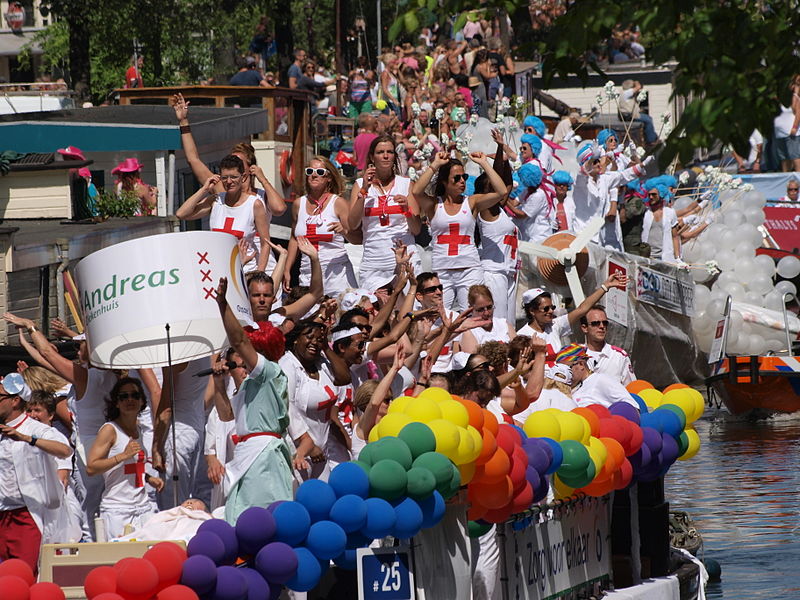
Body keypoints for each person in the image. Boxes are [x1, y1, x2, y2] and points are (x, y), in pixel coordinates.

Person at [172, 93, 287, 271]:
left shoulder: (260, 197)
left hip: (259, 261)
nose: (230, 177)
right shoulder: (221, 190)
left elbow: (279, 209)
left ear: (247, 169)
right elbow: (193, 160)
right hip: (226, 261)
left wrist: (263, 179)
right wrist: (183, 122)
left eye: (238, 165)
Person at [214, 277, 293, 523]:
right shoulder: (250, 383)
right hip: (247, 453)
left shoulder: (269, 370)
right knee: (240, 516)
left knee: (262, 518)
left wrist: (222, 304)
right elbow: (226, 415)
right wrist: (218, 382)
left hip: (263, 456)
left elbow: (238, 340)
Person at [412, 151, 506, 310]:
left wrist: (484, 163)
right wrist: (435, 164)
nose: (462, 181)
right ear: (444, 182)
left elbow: (501, 192)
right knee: (439, 317)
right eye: (457, 178)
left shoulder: (472, 202)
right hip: (442, 272)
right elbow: (416, 191)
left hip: (470, 270)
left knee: (472, 315)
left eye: (465, 177)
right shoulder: (434, 205)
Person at [0, 373, 74, 572]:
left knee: (23, 574)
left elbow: (64, 449)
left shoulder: (34, 429)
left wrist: (26, 438)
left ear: (14, 401)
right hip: (2, 515)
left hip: (27, 515)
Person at [87, 377, 162, 540]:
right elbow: (91, 467)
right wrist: (122, 456)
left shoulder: (140, 429)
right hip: (117, 510)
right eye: (124, 396)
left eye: (135, 395)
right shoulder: (110, 430)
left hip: (143, 507)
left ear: (142, 401)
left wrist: (149, 479)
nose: (130, 400)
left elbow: (131, 466)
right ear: (116, 402)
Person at [348, 135, 422, 291]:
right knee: (374, 310)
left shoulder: (406, 184)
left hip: (404, 256)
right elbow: (352, 224)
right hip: (374, 260)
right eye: (380, 152)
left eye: (390, 151)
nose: (386, 156)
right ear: (372, 157)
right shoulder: (360, 185)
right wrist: (364, 191)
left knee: (409, 308)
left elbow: (416, 229)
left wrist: (406, 210)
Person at [176, 155, 272, 273]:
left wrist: (259, 274)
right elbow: (181, 214)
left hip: (246, 271)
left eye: (234, 177)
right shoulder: (215, 201)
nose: (229, 181)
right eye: (225, 177)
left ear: (243, 177)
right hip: (219, 269)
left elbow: (265, 243)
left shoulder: (254, 204)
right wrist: (204, 189)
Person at [286, 156, 357, 297]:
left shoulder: (339, 203)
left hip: (336, 274)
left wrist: (343, 231)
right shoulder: (298, 204)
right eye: (310, 171)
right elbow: (294, 239)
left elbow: (356, 238)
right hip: (308, 273)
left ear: (329, 177)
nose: (313, 175)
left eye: (319, 172)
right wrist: (287, 268)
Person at [517, 273, 627, 363]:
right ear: (532, 311)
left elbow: (582, 309)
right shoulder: (522, 335)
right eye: (546, 309)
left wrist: (605, 287)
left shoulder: (555, 325)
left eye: (552, 307)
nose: (551, 311)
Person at [555, 344, 638, 409]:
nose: (563, 374)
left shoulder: (600, 380)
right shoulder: (571, 388)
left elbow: (632, 406)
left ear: (581, 364)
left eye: (567, 368)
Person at [580, 306, 635, 385]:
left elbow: (631, 388)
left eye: (605, 323)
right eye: (596, 323)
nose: (602, 326)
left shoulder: (619, 356)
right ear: (585, 328)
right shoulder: (575, 355)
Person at [507, 162, 554, 243]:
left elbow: (522, 215)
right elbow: (514, 203)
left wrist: (505, 202)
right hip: (529, 235)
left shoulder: (538, 195)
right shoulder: (527, 190)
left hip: (539, 237)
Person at [460, 285, 516, 352]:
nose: (486, 313)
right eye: (481, 310)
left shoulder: (504, 324)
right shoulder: (469, 332)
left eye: (489, 307)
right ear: (471, 309)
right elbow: (475, 360)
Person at [641, 183, 680, 262]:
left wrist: (677, 258)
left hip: (664, 257)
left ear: (661, 195)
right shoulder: (645, 212)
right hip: (647, 256)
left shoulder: (670, 212)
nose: (651, 197)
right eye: (649, 195)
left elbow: (675, 236)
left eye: (654, 194)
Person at [618, 80, 658, 145]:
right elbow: (638, 87)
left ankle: (647, 137)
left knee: (647, 118)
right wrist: (636, 83)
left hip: (628, 114)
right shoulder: (627, 92)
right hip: (629, 116)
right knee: (648, 120)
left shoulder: (624, 93)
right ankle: (651, 140)